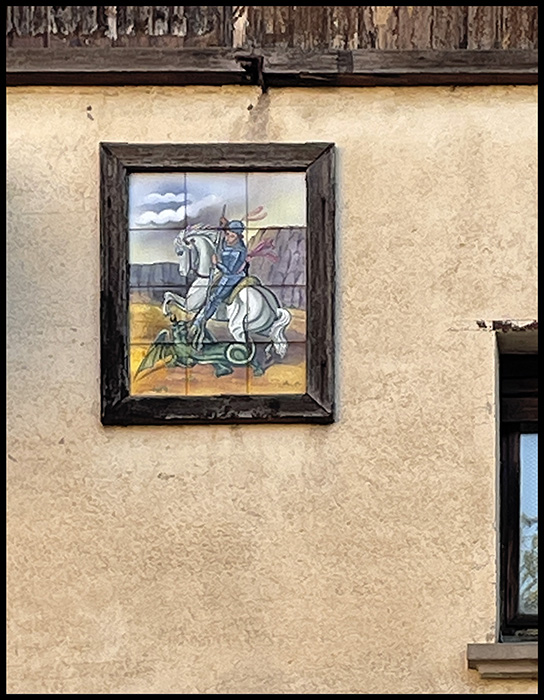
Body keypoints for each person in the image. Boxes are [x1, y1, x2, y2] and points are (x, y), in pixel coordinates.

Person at [189, 217, 248, 343]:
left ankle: (199, 322)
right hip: (224, 273)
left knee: (215, 298)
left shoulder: (239, 251)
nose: (228, 238)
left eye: (231, 236)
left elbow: (229, 271)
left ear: (238, 237)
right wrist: (223, 226)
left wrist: (217, 264)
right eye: (227, 234)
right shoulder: (229, 243)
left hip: (232, 277)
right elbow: (222, 244)